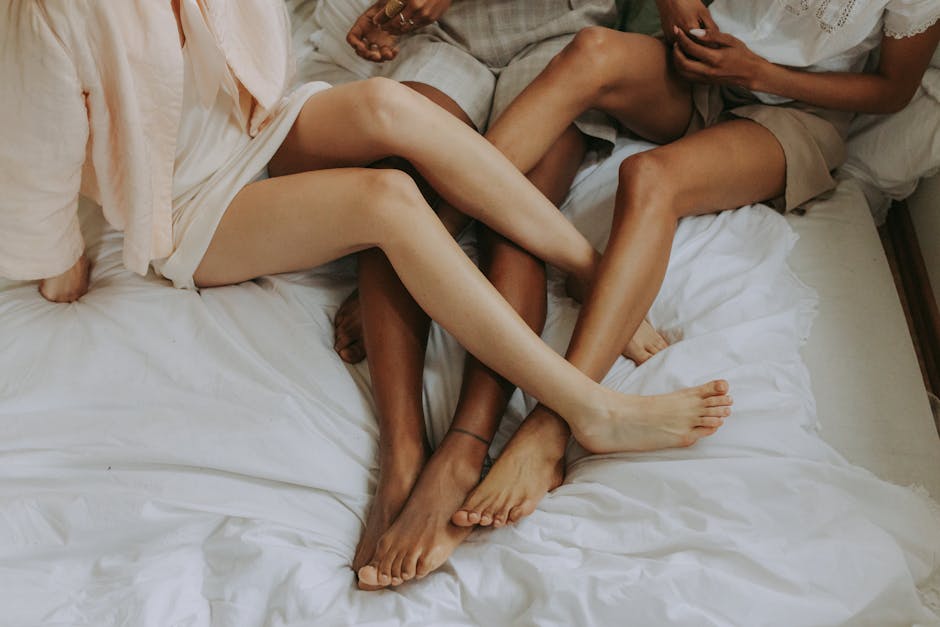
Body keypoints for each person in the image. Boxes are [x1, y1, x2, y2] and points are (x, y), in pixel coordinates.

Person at [0, 0, 733, 588]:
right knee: (387, 198)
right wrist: (61, 260)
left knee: (388, 104)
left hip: (257, 124)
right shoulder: (48, 13)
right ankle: (588, 406)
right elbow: (36, 154)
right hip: (187, 204)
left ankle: (586, 263)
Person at [423, 0, 940, 542]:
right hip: (693, 71)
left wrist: (761, 73)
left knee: (648, 177)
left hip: (792, 113)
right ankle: (429, 233)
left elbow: (892, 90)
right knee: (592, 50)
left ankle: (553, 424)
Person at [318, 0, 671, 592]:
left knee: (514, 223)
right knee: (398, 179)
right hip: (447, 38)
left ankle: (465, 446)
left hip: (561, 32)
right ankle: (404, 451)